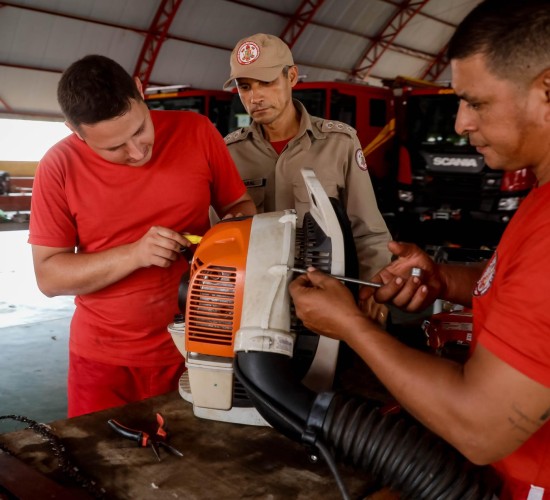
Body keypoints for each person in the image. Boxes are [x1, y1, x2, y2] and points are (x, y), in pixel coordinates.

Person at [289, 1, 550, 498]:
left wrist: (350, 325)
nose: (460, 123)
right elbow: (528, 288)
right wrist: (444, 279)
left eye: (476, 102)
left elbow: (479, 427)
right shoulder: (541, 198)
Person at [28, 55, 256, 418]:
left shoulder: (196, 131)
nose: (137, 153)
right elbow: (49, 277)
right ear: (74, 129)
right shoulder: (58, 167)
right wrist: (134, 254)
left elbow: (241, 205)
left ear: (139, 90)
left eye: (139, 130)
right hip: (104, 361)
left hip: (202, 344)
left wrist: (222, 241)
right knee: (101, 468)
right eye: (114, 147)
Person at [223, 33, 392, 324]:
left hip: (325, 300)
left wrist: (371, 292)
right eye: (245, 86)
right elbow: (219, 240)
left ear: (291, 76)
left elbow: (369, 232)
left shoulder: (338, 143)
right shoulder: (229, 153)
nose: (255, 97)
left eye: (267, 82)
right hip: (253, 305)